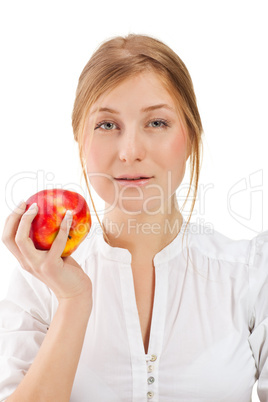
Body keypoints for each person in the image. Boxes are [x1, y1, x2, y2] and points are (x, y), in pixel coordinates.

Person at [0, 33, 267, 402]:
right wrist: (73, 301)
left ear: (190, 136)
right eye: (107, 125)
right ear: (81, 139)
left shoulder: (252, 273)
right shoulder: (38, 280)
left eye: (156, 123)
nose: (130, 152)